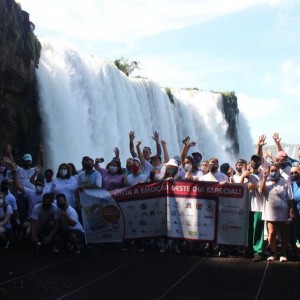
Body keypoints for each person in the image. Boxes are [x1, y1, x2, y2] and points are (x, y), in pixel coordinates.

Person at [259, 163, 295, 262]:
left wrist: (291, 212)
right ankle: (273, 253)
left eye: (275, 170)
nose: (273, 172)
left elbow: (290, 199)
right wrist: (265, 178)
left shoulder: (285, 182)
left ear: (279, 171)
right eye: (272, 171)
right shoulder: (266, 182)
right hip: (270, 213)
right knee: (271, 234)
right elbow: (261, 192)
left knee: (284, 234)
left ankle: (283, 253)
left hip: (284, 213)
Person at [240, 154, 264, 262]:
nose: (253, 163)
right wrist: (242, 176)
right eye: (252, 160)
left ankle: (258, 251)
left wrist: (256, 187)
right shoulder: (246, 175)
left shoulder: (263, 175)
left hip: (258, 205)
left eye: (256, 161)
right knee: (248, 228)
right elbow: (238, 189)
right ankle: (248, 248)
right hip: (246, 205)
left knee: (257, 228)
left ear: (260, 163)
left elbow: (264, 191)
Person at [289, 165, 300, 255]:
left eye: (296, 172)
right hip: (296, 214)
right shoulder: (292, 185)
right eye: (291, 173)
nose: (294, 174)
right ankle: (295, 250)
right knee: (294, 233)